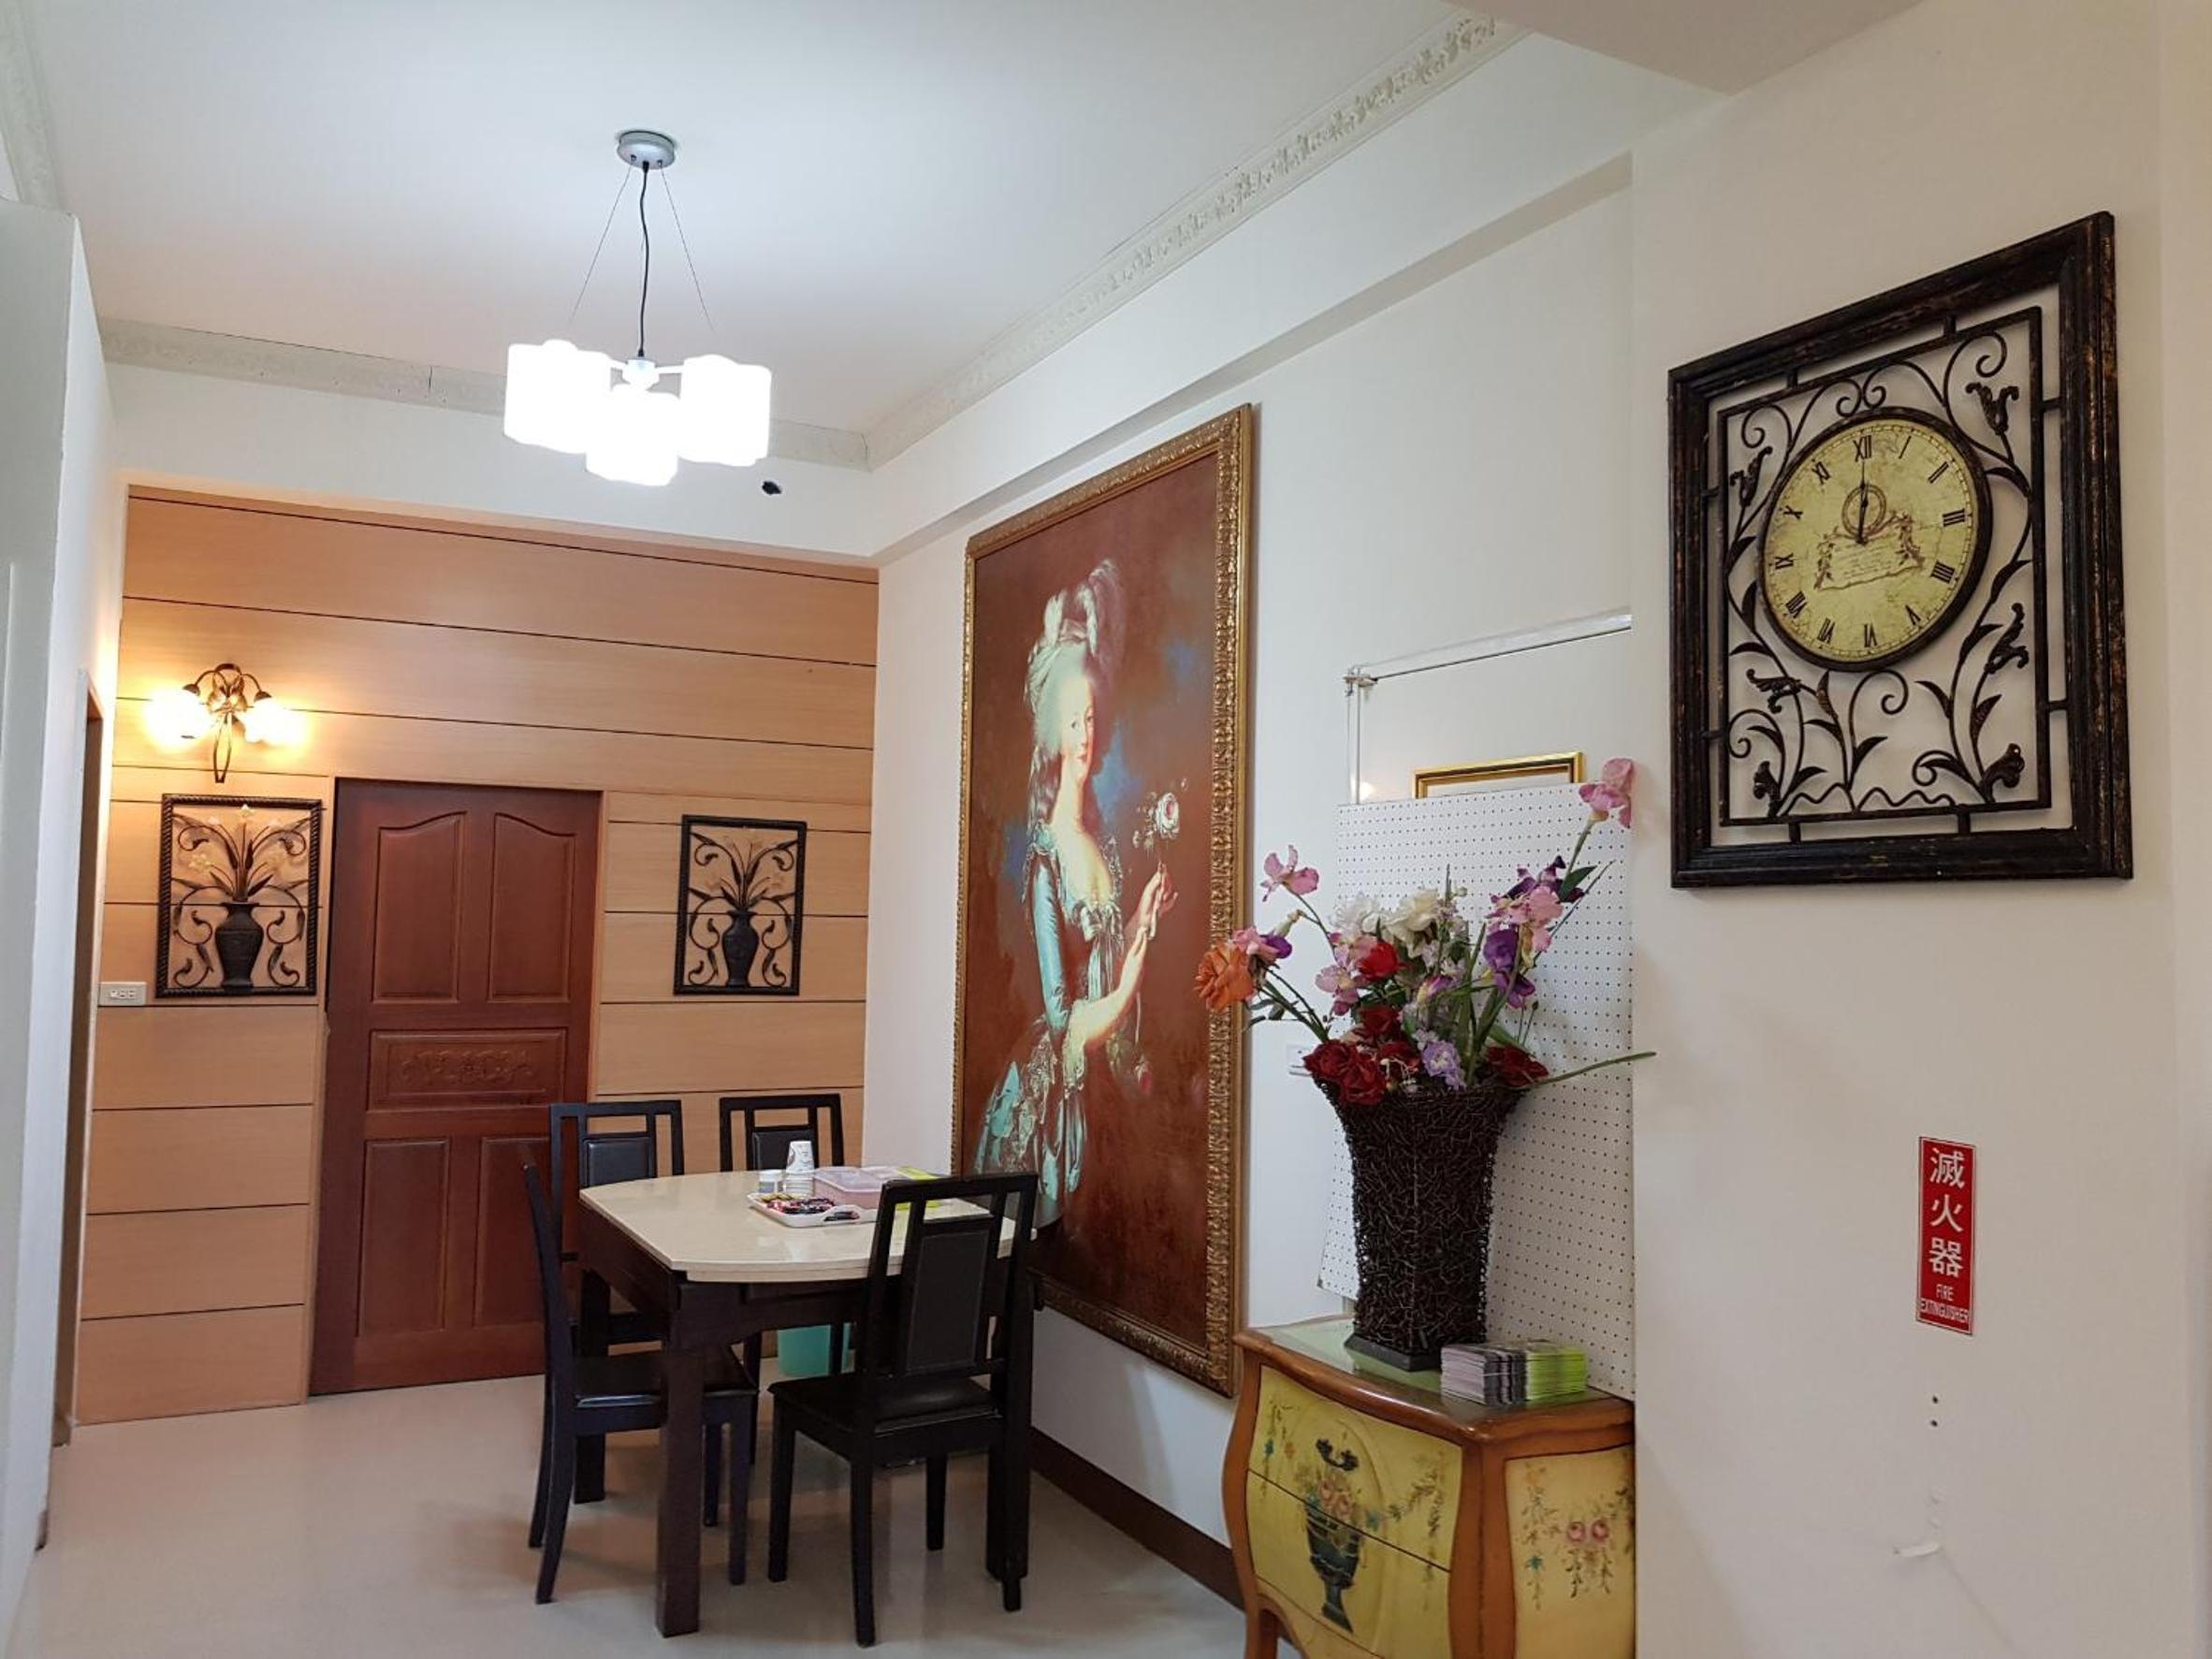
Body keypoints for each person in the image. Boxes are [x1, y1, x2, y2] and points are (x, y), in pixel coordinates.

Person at [973, 560, 1172, 1226]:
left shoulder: (1102, 839)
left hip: (1106, 1072)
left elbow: (1105, 956)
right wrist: (1131, 979)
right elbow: (1065, 1020)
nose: (1085, 737)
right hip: (1059, 1099)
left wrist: (1141, 916)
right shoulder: (1044, 861)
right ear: (1053, 735)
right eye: (1073, 723)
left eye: (1092, 720)